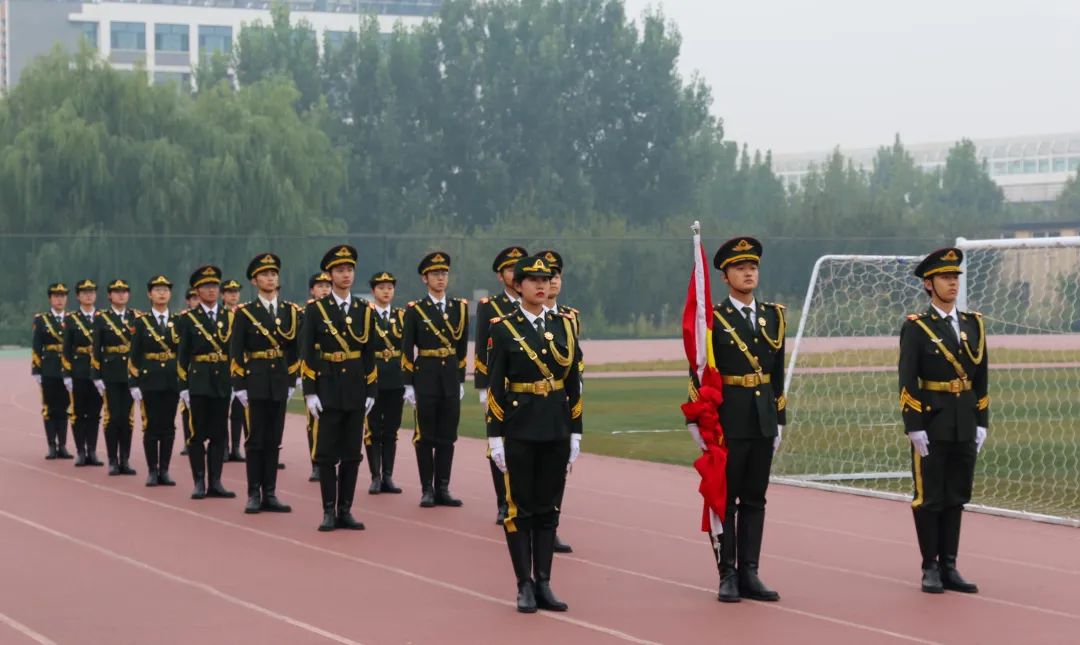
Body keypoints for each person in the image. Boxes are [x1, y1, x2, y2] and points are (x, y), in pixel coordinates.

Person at [688, 237, 784, 603]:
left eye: (752, 267)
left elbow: (777, 374)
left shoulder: (774, 316)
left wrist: (779, 418)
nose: (748, 273)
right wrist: (696, 420)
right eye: (740, 268)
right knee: (725, 499)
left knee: (755, 499)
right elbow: (698, 370)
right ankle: (727, 573)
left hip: (762, 418)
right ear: (725, 276)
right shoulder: (713, 319)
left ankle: (750, 573)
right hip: (728, 419)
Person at [486, 256, 583, 613]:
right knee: (520, 510)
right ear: (518, 286)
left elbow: (573, 383)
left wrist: (576, 431)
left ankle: (543, 582)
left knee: (548, 508)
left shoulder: (564, 326)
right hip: (520, 428)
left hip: (556, 427)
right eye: (533, 280)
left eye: (547, 279)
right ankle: (523, 584)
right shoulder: (503, 328)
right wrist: (494, 437)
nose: (542, 285)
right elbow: (496, 386)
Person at [899, 247, 987, 595]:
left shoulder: (973, 324)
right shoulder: (917, 327)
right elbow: (907, 380)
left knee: (957, 495)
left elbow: (982, 377)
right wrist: (914, 425)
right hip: (932, 422)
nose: (952, 283)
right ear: (928, 284)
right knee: (930, 497)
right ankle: (930, 566)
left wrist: (982, 419)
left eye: (955, 277)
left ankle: (950, 565)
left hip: (964, 420)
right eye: (945, 278)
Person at [300, 245, 376, 531]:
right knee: (327, 454)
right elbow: (307, 352)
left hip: (356, 388)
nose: (346, 275)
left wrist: (371, 390)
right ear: (330, 275)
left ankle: (346, 510)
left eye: (349, 269)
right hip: (328, 387)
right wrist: (310, 391)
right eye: (340, 270)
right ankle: (328, 511)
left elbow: (369, 353)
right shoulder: (316, 310)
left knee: (352, 454)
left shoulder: (363, 310)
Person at [230, 253, 301, 514]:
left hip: (279, 380)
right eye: (264, 275)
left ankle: (270, 493)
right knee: (255, 440)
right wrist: (239, 384)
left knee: (274, 440)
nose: (270, 278)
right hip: (256, 380)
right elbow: (236, 350)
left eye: (273, 274)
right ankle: (253, 493)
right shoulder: (245, 313)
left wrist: (292, 379)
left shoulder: (290, 311)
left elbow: (294, 348)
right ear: (254, 280)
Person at [401, 251, 469, 508]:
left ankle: (443, 487)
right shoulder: (416, 310)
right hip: (426, 376)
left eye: (444, 273)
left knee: (447, 436)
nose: (441, 278)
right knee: (425, 436)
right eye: (435, 274)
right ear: (425, 278)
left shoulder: (458, 308)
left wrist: (460, 378)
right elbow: (406, 349)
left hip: (449, 377)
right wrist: (409, 383)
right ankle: (427, 489)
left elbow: (461, 347)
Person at [475, 246, 527, 524]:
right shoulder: (489, 307)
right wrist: (483, 389)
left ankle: (523, 500)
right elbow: (481, 350)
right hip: (499, 387)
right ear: (500, 276)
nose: (514, 273)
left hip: (527, 387)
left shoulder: (535, 303)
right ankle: (503, 503)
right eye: (509, 269)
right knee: (498, 446)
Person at [176, 266, 236, 500]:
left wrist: (236, 381)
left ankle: (216, 482)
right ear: (197, 291)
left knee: (219, 434)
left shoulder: (229, 317)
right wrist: (183, 387)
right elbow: (182, 356)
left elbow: (234, 352)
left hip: (222, 380)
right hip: (199, 382)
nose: (211, 290)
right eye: (206, 287)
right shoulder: (188, 319)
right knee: (197, 434)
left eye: (214, 286)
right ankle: (199, 481)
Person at [536, 249, 582, 555]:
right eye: (545, 276)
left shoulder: (570, 318)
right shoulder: (516, 320)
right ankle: (530, 526)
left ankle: (550, 529)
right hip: (527, 405)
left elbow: (575, 361)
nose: (551, 281)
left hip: (560, 404)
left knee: (557, 471)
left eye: (555, 276)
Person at [128, 275, 180, 487]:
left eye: (165, 290)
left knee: (169, 426)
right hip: (149, 380)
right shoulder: (141, 322)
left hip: (172, 380)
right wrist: (134, 382)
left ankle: (164, 470)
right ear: (149, 294)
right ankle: (152, 470)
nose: (162, 293)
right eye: (157, 290)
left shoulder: (178, 321)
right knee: (150, 426)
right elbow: (134, 354)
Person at [92, 279, 139, 476]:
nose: (121, 295)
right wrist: (96, 375)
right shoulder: (102, 318)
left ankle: (125, 459)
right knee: (112, 417)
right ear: (109, 295)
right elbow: (96, 347)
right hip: (110, 374)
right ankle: (112, 459)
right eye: (117, 291)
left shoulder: (135, 317)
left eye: (124, 291)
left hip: (129, 374)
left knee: (127, 418)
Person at [366, 271, 406, 495]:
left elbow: (407, 348)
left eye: (390, 288)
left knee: (391, 429)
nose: (386, 291)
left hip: (396, 379)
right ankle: (375, 476)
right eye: (381, 288)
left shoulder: (402, 316)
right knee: (373, 429)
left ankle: (388, 475)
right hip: (373, 378)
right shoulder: (366, 315)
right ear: (373, 291)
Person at [63, 279, 104, 467]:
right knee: (79, 413)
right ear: (78, 296)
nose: (88, 295)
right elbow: (66, 349)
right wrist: (67, 373)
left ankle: (92, 451)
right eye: (84, 293)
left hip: (98, 372)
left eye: (91, 292)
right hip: (78, 371)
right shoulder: (71, 319)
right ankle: (81, 451)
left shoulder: (103, 317)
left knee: (95, 413)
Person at [33, 283, 72, 460]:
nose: (59, 299)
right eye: (56, 296)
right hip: (48, 369)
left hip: (67, 369)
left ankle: (62, 445)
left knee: (64, 407)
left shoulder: (72, 319)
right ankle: (51, 445)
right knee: (49, 408)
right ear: (50, 299)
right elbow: (37, 345)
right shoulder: (41, 320)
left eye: (62, 296)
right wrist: (36, 369)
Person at [302, 271, 333, 482]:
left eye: (327, 286)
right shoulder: (307, 312)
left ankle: (331, 460)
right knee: (315, 421)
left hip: (334, 370)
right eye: (320, 286)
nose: (325, 289)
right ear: (312, 290)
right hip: (315, 368)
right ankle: (316, 463)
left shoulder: (337, 311)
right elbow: (302, 345)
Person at [222, 279, 247, 463]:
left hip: (240, 367)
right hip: (223, 367)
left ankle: (236, 447)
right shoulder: (219, 315)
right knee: (222, 410)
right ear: (223, 295)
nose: (233, 295)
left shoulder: (244, 313)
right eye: (230, 292)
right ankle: (224, 447)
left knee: (239, 410)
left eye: (236, 292)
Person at [179, 288, 200, 457]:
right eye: (193, 298)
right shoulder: (184, 319)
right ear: (188, 301)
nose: (196, 301)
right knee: (186, 407)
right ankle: (188, 440)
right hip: (188, 367)